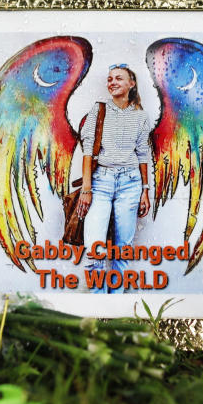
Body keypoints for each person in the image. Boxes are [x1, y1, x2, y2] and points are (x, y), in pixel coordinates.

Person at [77, 63, 153, 293]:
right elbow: (87, 150)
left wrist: (145, 190)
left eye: (118, 78)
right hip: (101, 182)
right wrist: (86, 189)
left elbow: (142, 154)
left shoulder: (141, 117)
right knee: (94, 247)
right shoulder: (98, 110)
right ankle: (99, 305)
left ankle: (116, 303)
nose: (112, 82)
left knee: (124, 247)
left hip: (131, 184)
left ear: (131, 84)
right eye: (109, 79)